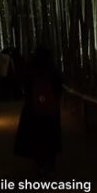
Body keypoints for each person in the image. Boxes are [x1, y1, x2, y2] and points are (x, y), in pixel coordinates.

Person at [14, 46, 62, 176]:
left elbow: (26, 87)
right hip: (51, 111)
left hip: (34, 111)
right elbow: (58, 88)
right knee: (50, 139)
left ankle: (40, 165)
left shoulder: (31, 70)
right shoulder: (53, 70)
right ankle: (50, 167)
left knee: (37, 138)